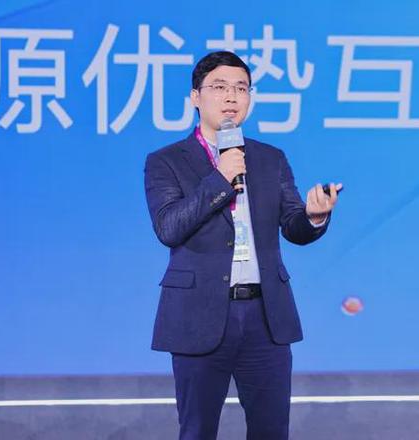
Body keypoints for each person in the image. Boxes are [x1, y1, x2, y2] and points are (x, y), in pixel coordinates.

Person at [144, 51, 342, 440]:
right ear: (195, 97)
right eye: (219, 87)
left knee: (271, 430)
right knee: (197, 430)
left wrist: (315, 215)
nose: (231, 96)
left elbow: (293, 226)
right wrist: (221, 178)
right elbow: (169, 227)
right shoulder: (166, 161)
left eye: (241, 88)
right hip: (198, 316)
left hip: (264, 317)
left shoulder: (270, 159)